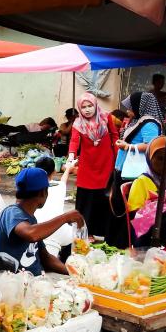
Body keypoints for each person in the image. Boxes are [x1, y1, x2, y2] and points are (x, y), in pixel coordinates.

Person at [0, 168, 84, 276]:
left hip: (34, 281)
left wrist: (76, 274)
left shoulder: (31, 220)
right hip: (15, 282)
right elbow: (31, 234)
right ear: (42, 192)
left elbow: (46, 258)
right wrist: (65, 218)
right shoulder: (12, 212)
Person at [108, 91, 164, 247]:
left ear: (141, 106)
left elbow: (151, 145)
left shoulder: (150, 123)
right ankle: (115, 241)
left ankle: (122, 242)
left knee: (127, 208)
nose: (127, 111)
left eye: (130, 107)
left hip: (133, 173)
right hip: (124, 169)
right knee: (118, 205)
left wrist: (128, 146)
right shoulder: (139, 121)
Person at [67, 92, 118, 237]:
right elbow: (74, 141)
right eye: (83, 107)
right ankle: (86, 233)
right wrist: (71, 154)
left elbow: (114, 136)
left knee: (104, 197)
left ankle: (104, 232)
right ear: (79, 109)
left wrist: (117, 157)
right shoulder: (78, 123)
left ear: (95, 105)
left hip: (106, 162)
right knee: (87, 198)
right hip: (87, 165)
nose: (87, 109)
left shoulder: (106, 117)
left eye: (90, 106)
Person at [34, 156, 75, 259]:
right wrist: (68, 169)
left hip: (34, 230)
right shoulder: (59, 186)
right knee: (74, 233)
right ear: (54, 172)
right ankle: (64, 259)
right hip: (58, 232)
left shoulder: (31, 187)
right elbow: (63, 180)